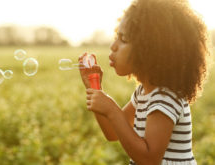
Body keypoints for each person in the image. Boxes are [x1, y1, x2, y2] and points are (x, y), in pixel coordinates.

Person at [78, 0, 210, 164]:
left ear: (152, 48)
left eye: (123, 39)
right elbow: (112, 132)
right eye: (116, 37)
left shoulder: (165, 97)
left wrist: (112, 110)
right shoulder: (144, 93)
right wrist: (95, 87)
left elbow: (149, 159)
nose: (113, 46)